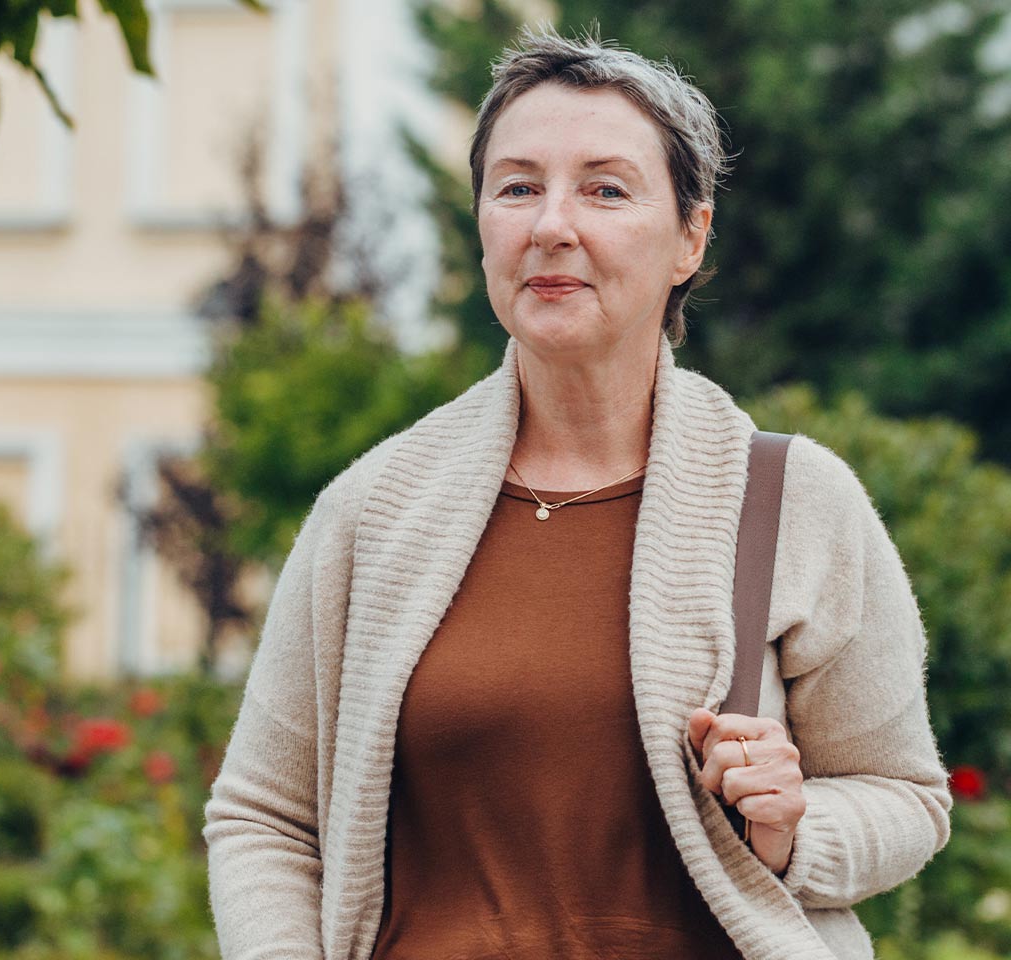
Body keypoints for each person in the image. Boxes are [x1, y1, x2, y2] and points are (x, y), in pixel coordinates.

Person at [203, 24, 951, 960]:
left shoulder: (793, 501)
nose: (551, 224)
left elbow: (908, 798)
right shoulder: (373, 509)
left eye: (605, 189)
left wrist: (796, 827)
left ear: (690, 236)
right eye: (517, 187)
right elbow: (265, 815)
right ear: (482, 225)